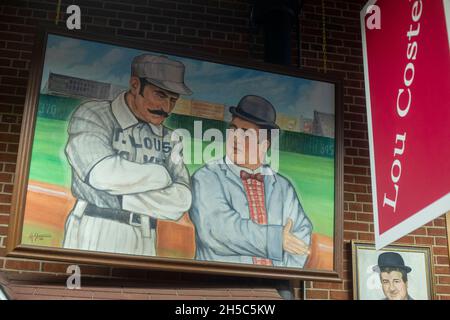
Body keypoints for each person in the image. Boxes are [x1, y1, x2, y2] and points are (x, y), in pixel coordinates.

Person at [62, 54, 193, 257]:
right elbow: (102, 174)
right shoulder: (93, 114)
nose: (166, 108)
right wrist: (161, 175)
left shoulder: (170, 138)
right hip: (95, 225)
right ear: (134, 85)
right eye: (160, 95)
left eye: (173, 100)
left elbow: (181, 200)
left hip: (146, 234)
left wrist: (118, 197)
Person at [189, 95, 313, 268]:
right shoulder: (206, 177)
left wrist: (280, 274)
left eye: (246, 133)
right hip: (222, 285)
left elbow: (301, 234)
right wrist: (277, 240)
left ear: (265, 144)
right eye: (233, 129)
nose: (236, 137)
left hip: (275, 285)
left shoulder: (283, 188)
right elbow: (219, 231)